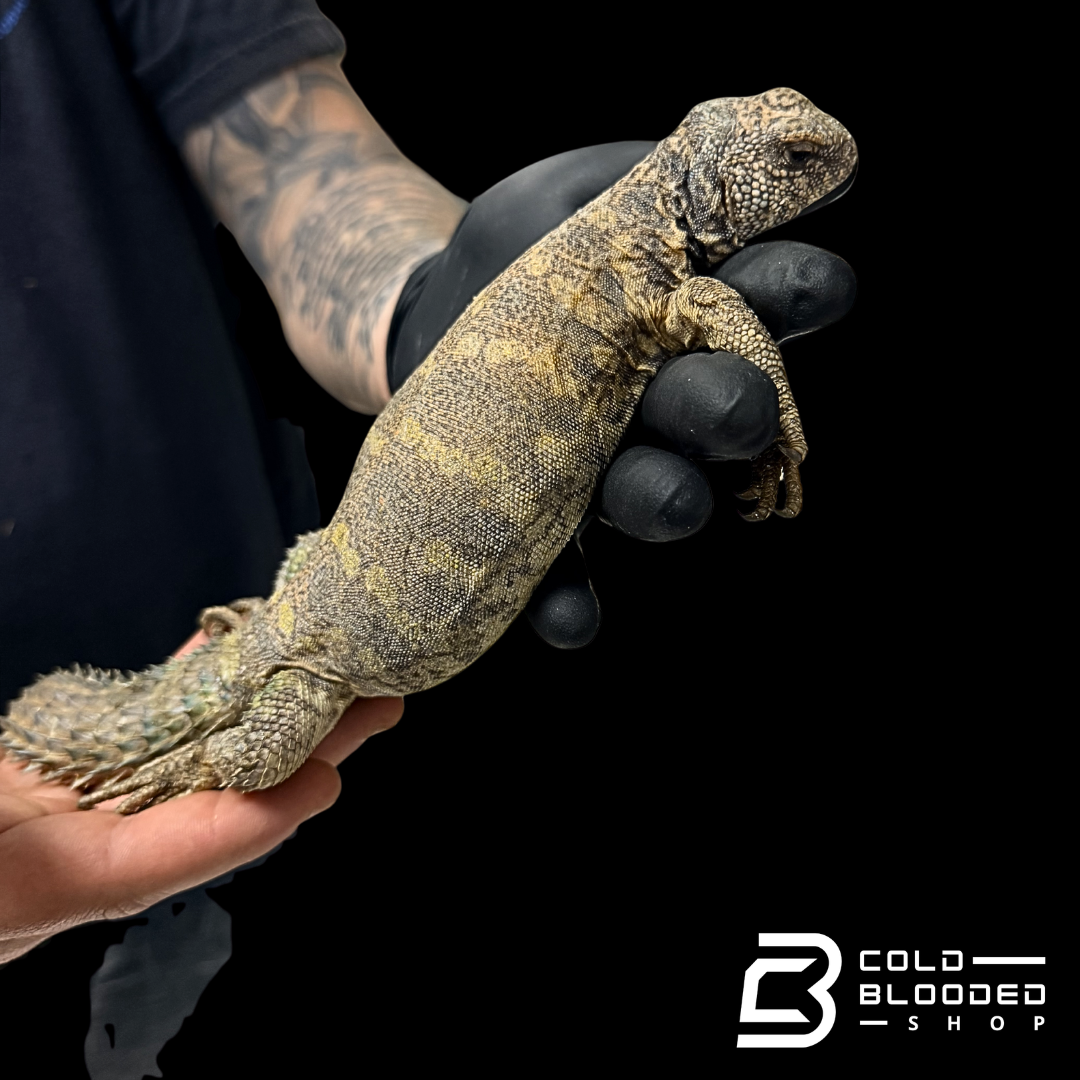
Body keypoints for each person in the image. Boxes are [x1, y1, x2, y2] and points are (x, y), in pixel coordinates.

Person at [0, 0, 854, 969]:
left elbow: (295, 166)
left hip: (290, 603)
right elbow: (706, 306)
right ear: (715, 179)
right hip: (300, 652)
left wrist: (411, 298)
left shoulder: (643, 261)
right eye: (787, 162)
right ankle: (176, 755)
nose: (818, 168)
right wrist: (782, 419)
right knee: (249, 760)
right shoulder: (658, 269)